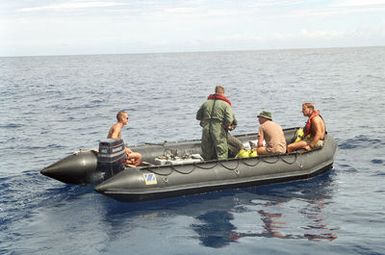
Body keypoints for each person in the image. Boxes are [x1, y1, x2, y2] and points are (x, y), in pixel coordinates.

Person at [196, 85, 237, 160]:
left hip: (206, 128)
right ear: (223, 93)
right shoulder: (225, 104)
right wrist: (226, 126)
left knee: (207, 149)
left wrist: (206, 121)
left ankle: (207, 164)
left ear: (215, 92)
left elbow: (198, 117)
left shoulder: (205, 103)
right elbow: (229, 119)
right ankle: (222, 166)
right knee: (221, 149)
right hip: (218, 129)